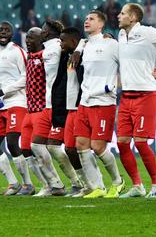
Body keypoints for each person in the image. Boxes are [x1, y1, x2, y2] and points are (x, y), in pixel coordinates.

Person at [115, 3, 156, 199]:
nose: (119, 16)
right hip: (126, 95)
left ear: (133, 17)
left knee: (140, 143)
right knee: (121, 142)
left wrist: (154, 64)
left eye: (122, 13)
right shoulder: (121, 36)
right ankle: (137, 186)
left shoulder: (147, 32)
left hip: (145, 95)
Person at [75, 10, 125, 199]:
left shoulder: (111, 44)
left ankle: (118, 182)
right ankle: (97, 187)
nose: (87, 21)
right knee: (81, 145)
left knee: (97, 146)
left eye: (92, 19)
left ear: (101, 24)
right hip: (85, 101)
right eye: (86, 18)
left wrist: (113, 85)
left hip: (103, 102)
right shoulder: (84, 45)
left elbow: (127, 65)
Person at [38, 20, 84, 195]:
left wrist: (79, 48)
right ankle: (59, 184)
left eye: (43, 29)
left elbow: (83, 41)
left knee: (66, 147)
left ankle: (81, 183)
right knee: (44, 145)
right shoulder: (53, 50)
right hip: (53, 103)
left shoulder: (60, 47)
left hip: (66, 104)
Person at [0, 21, 32, 195]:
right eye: (1, 30)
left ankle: (28, 184)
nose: (3, 32)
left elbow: (26, 77)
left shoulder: (18, 51)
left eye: (7, 30)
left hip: (17, 103)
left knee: (12, 142)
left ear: (12, 34)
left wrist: (3, 91)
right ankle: (13, 183)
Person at [20, 27, 66, 197]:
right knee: (25, 149)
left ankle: (56, 183)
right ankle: (46, 184)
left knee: (39, 147)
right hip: (29, 109)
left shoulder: (48, 55)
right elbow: (25, 79)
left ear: (41, 40)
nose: (28, 41)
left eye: (31, 38)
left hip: (42, 108)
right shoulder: (30, 57)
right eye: (27, 38)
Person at [60, 27, 87, 197]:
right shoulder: (69, 57)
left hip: (81, 106)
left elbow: (90, 41)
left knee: (85, 149)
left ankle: (107, 182)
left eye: (63, 41)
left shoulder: (83, 55)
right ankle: (85, 184)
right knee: (69, 149)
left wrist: (80, 48)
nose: (61, 44)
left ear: (73, 42)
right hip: (70, 108)